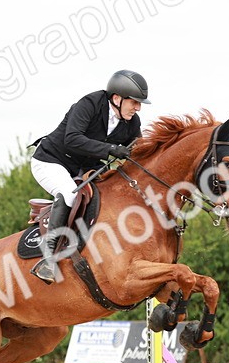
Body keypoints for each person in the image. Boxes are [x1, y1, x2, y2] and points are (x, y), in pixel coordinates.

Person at [27, 69, 149, 283]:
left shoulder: (132, 122)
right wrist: (111, 149)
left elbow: (139, 151)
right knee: (69, 194)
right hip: (51, 160)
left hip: (83, 168)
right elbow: (72, 139)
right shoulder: (89, 105)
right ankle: (48, 259)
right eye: (134, 102)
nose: (137, 108)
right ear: (117, 98)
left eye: (139, 104)